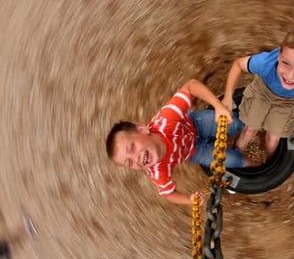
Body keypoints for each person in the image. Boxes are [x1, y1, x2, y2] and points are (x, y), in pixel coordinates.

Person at [106, 79, 258, 206]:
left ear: (142, 129)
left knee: (236, 125)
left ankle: (253, 118)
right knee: (234, 160)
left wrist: (219, 107)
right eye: (129, 163)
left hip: (195, 125)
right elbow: (168, 194)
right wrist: (189, 200)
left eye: (131, 147)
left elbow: (191, 86)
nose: (136, 159)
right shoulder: (158, 171)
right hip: (193, 151)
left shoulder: (166, 120)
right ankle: (258, 168)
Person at [221, 27, 294, 160]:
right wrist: (227, 97)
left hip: (287, 102)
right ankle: (234, 158)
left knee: (273, 139)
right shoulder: (265, 63)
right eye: (285, 63)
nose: (290, 76)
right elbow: (238, 65)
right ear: (279, 55)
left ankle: (270, 164)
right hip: (262, 90)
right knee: (249, 130)